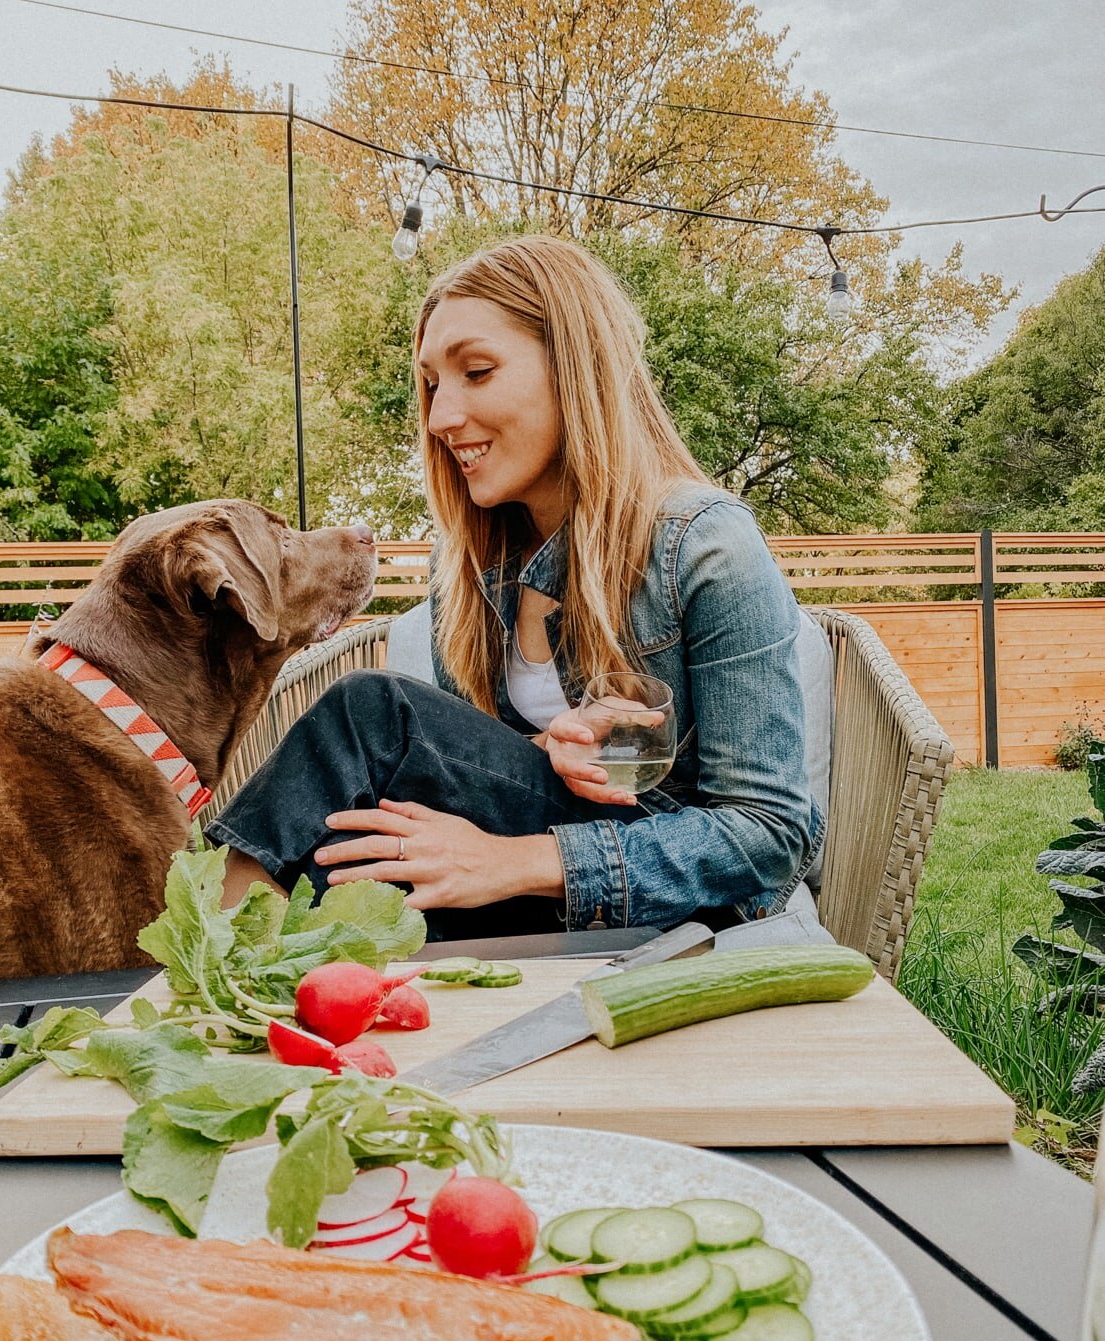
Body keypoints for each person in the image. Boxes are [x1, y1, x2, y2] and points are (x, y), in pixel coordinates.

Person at [211, 234, 822, 937]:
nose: (440, 418)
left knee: (372, 714)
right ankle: (256, 960)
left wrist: (517, 861)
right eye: (432, 385)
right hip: (533, 890)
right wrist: (542, 755)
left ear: (575, 369)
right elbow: (469, 783)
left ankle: (219, 942)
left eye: (476, 372)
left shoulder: (704, 544)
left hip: (678, 901)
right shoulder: (470, 564)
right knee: (349, 850)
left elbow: (771, 830)